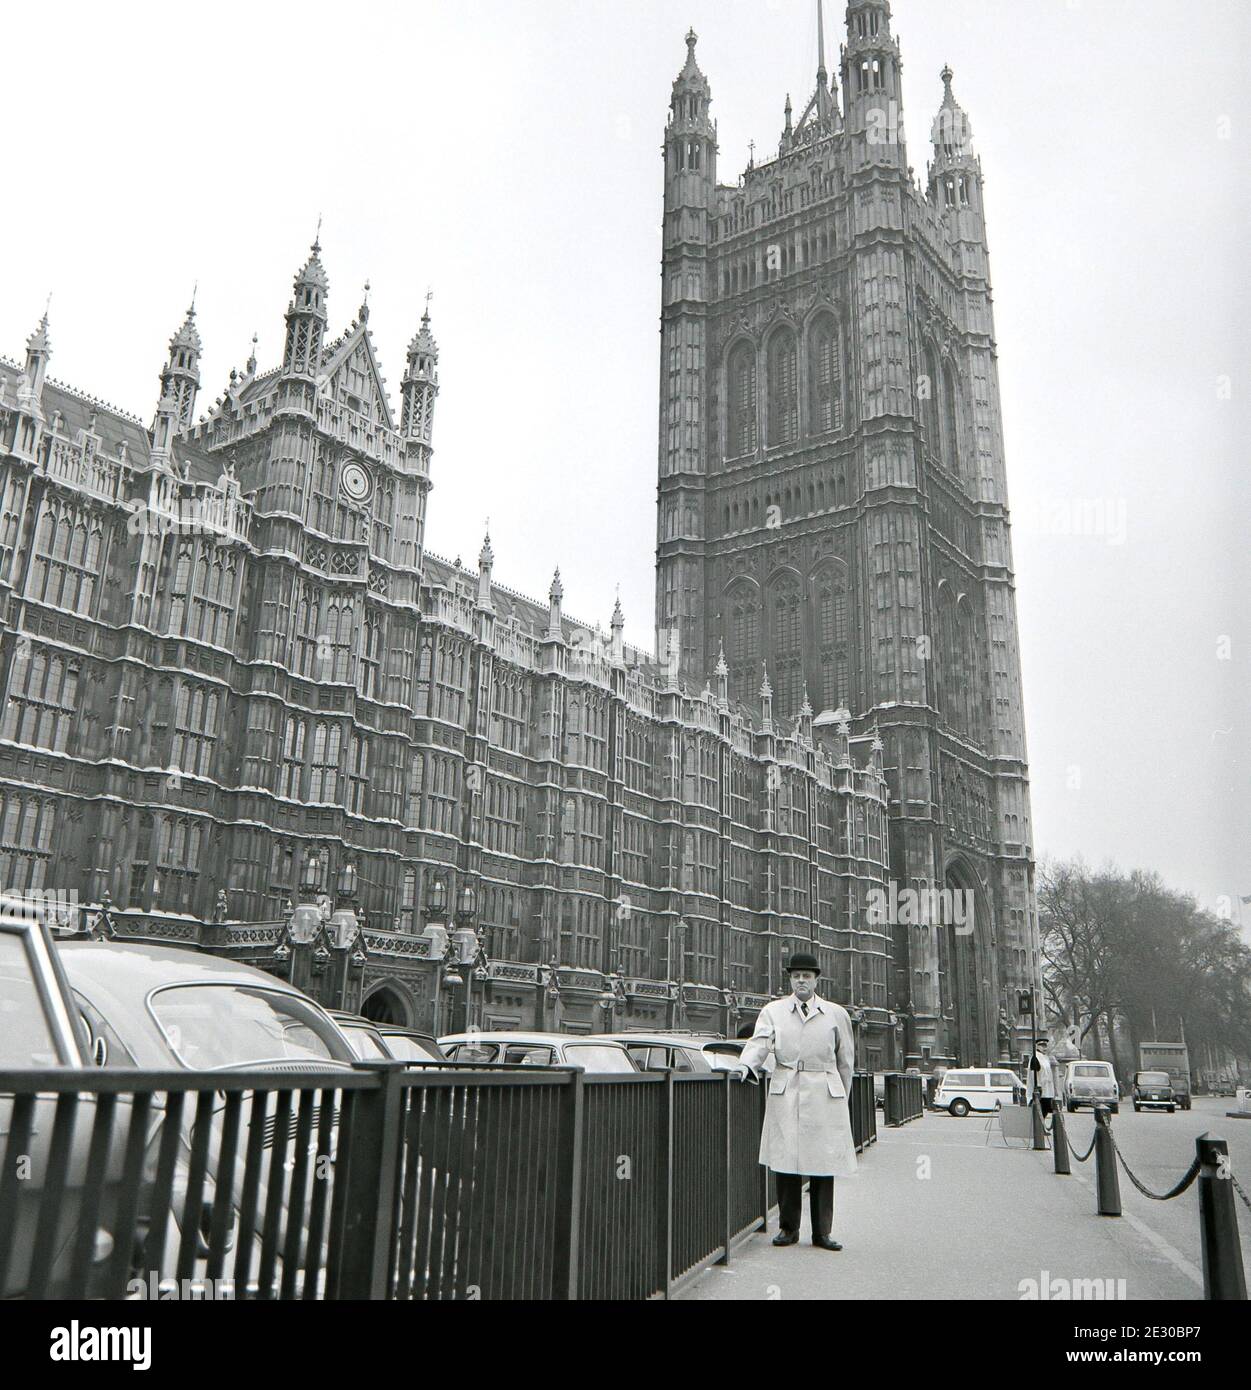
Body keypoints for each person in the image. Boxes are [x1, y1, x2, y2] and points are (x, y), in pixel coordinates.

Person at [732, 952, 856, 1250]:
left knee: (823, 1164)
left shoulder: (836, 1013)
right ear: (790, 979)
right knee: (786, 1160)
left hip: (824, 1089)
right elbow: (760, 1042)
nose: (801, 981)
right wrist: (745, 1064)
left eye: (807, 976)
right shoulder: (774, 1011)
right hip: (787, 1086)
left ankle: (822, 1232)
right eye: (796, 976)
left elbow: (846, 1061)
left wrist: (842, 1097)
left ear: (816, 980)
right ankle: (788, 1229)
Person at [1027, 1036, 1061, 1115]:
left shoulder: (1045, 1058)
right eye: (1042, 1045)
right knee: (1039, 1113)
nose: (1044, 1048)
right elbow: (1033, 1074)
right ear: (1037, 1046)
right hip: (1040, 1092)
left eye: (1045, 1045)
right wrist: (1037, 1086)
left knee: (1045, 1112)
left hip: (1048, 1091)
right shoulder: (1035, 1058)